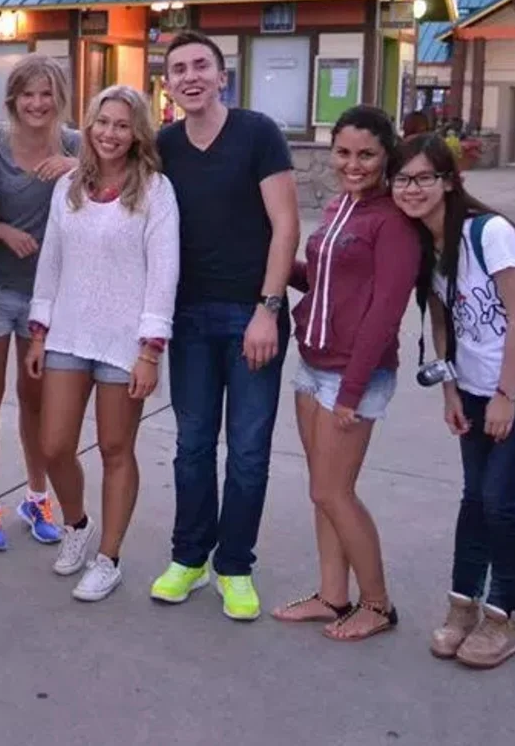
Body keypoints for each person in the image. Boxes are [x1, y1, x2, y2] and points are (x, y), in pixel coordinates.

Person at [392, 134, 515, 669]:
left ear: (449, 181)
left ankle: (504, 616)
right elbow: (443, 320)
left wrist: (504, 395)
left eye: (424, 177)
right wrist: (450, 388)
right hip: (472, 384)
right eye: (402, 179)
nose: (412, 188)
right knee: (475, 498)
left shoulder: (487, 233)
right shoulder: (427, 243)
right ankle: (462, 606)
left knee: (502, 501)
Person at [151, 30, 299, 621]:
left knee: (247, 452)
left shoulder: (258, 134)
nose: (190, 76)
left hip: (250, 315)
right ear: (168, 83)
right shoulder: (164, 144)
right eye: (178, 68)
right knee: (190, 447)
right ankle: (188, 556)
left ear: (221, 76)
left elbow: (285, 226)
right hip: (187, 316)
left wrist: (269, 307)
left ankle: (233, 564)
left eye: (200, 66)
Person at [25, 85, 179, 602]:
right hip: (69, 332)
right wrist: (39, 330)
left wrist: (150, 349)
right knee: (53, 446)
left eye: (122, 124)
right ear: (89, 127)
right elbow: (51, 261)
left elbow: (164, 272)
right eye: (102, 123)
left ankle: (109, 557)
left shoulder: (156, 190)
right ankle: (77, 525)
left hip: (124, 341)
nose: (110, 133)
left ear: (138, 133)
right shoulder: (68, 186)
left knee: (116, 448)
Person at [273, 105, 419, 641]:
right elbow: (324, 280)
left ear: (386, 158)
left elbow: (384, 312)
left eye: (366, 155)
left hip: (351, 378)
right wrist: (271, 268)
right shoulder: (338, 206)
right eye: (343, 152)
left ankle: (377, 605)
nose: (352, 164)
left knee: (336, 492)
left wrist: (351, 391)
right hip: (312, 366)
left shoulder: (392, 221)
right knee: (322, 490)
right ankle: (333, 596)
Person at [0, 54, 79, 550]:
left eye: (46, 93)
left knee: (35, 401)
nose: (37, 103)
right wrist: (0, 229)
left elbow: (133, 172)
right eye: (27, 94)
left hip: (49, 297)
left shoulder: (77, 144)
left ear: (59, 98)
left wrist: (80, 166)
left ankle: (37, 497)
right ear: (12, 98)